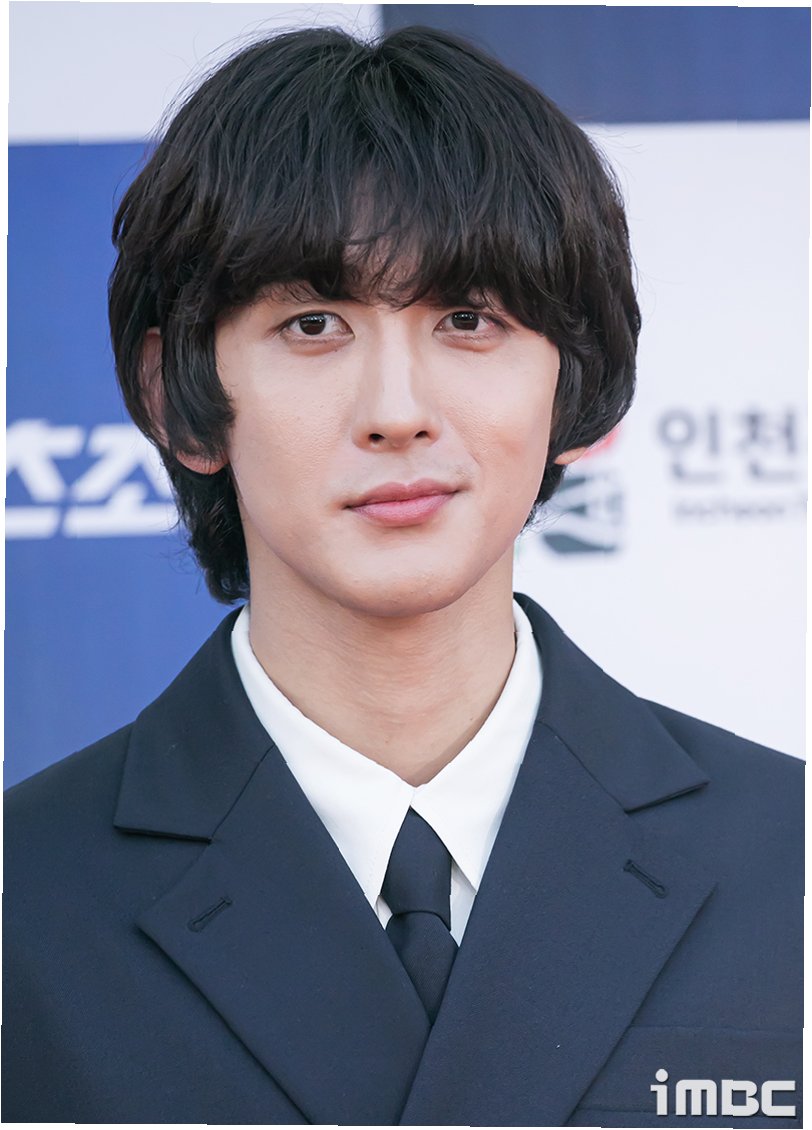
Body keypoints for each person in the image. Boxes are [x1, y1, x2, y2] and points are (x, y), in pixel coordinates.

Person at [3, 25, 801, 1128]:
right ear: (176, 397)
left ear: (573, 386)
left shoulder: (790, 856)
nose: (396, 411)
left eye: (467, 320)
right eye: (312, 323)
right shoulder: (26, 892)